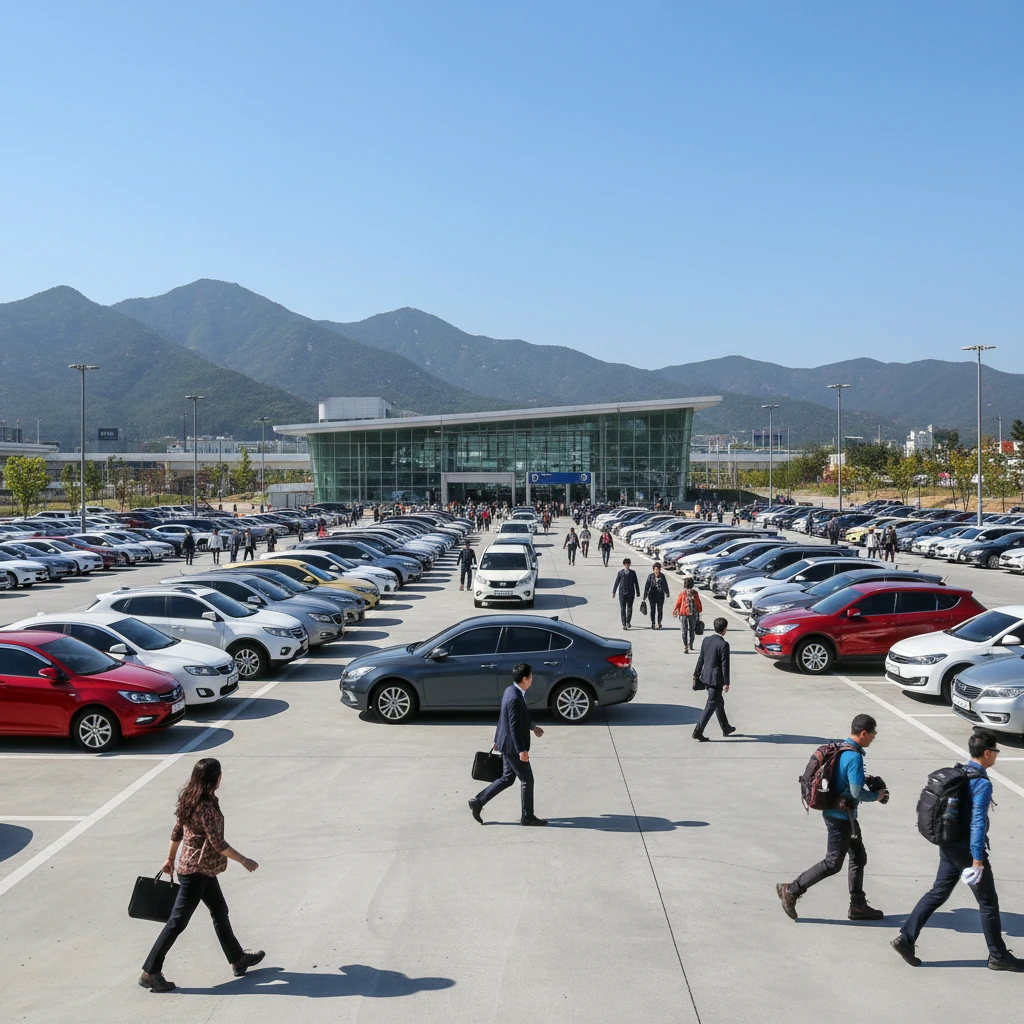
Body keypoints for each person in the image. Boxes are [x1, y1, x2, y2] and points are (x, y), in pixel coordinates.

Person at [892, 729, 1024, 970]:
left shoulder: (961, 773)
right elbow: (977, 822)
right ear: (987, 753)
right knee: (988, 902)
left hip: (949, 844)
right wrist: (977, 859)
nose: (996, 755)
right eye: (996, 751)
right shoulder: (980, 782)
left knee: (938, 893)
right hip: (966, 850)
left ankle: (906, 938)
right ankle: (998, 955)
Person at [139, 758, 264, 993]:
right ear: (214, 778)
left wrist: (170, 858)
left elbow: (177, 831)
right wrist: (243, 860)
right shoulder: (205, 805)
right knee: (177, 922)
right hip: (196, 872)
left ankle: (237, 959)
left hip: (200, 868)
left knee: (219, 911)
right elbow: (217, 843)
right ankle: (150, 972)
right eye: (220, 774)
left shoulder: (191, 797)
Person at [776, 714, 887, 921]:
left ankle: (858, 906)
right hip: (841, 819)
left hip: (844, 816)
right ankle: (791, 890)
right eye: (873, 733)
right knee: (832, 863)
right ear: (864, 733)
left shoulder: (841, 749)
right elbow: (856, 792)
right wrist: (877, 795)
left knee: (858, 857)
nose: (874, 737)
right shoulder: (854, 757)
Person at [468, 663, 546, 827]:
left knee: (507, 778)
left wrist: (532, 727)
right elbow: (513, 726)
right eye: (531, 676)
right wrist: (521, 750)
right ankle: (527, 817)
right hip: (512, 746)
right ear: (525, 678)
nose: (532, 678)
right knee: (527, 780)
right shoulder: (516, 698)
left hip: (506, 742)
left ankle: (478, 802)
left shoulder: (510, 690)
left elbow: (505, 717)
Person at [692, 617, 736, 741]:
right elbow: (725, 665)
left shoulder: (706, 640)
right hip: (716, 681)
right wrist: (727, 683)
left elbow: (701, 659)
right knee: (711, 705)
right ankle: (698, 731)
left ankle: (725, 727)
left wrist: (696, 674)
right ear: (725, 629)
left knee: (719, 702)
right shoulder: (724, 644)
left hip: (706, 677)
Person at [672, 576, 702, 653]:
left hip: (683, 613)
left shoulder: (682, 593)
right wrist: (699, 611)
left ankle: (685, 646)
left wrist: (675, 610)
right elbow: (698, 603)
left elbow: (678, 603)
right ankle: (690, 644)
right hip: (693, 613)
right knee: (692, 630)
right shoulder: (695, 593)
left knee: (684, 630)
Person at [612, 558, 640, 630]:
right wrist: (614, 592)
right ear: (624, 564)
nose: (627, 565)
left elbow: (636, 582)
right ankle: (624, 623)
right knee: (623, 608)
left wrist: (638, 592)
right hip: (622, 592)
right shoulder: (620, 572)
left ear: (630, 564)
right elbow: (617, 582)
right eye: (626, 564)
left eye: (628, 564)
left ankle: (628, 622)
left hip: (631, 592)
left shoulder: (633, 573)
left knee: (630, 607)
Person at [642, 562, 670, 629]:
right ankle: (653, 623)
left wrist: (667, 592)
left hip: (660, 596)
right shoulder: (650, 576)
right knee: (653, 610)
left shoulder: (662, 576)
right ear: (653, 570)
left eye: (658, 569)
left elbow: (665, 585)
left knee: (660, 610)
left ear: (660, 570)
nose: (656, 571)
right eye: (655, 569)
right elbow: (647, 586)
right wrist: (645, 596)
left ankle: (659, 622)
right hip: (652, 595)